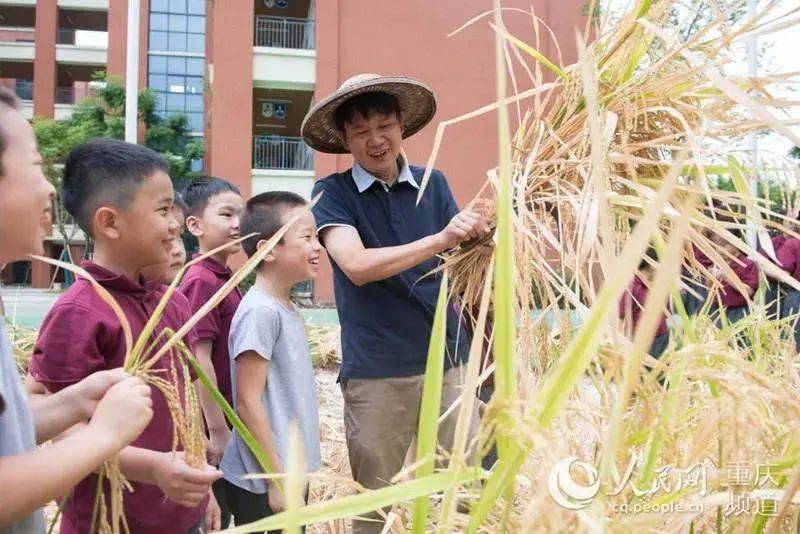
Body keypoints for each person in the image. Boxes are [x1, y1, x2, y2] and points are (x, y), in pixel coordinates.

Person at [302, 73, 491, 533]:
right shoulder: (333, 193)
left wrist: (482, 236)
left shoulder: (434, 183)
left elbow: (462, 263)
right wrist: (440, 238)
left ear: (401, 124)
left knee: (462, 494)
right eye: (361, 132)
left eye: (383, 125)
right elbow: (356, 264)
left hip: (449, 361)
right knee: (375, 502)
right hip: (378, 371)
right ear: (345, 139)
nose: (375, 140)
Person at [26, 138, 221, 533]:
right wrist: (152, 468)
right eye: (163, 209)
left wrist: (201, 485)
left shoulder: (172, 303)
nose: (176, 222)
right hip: (110, 519)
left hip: (179, 512)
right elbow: (68, 434)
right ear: (110, 222)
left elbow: (184, 407)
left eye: (175, 208)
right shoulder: (80, 311)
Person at [0, 87, 154, 533]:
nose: (50, 188)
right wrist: (101, 435)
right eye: (36, 167)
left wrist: (72, 402)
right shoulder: (81, 307)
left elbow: (8, 433)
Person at [219, 191, 322, 529]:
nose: (317, 247)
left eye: (316, 236)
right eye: (306, 237)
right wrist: (276, 479)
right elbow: (247, 402)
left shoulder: (281, 306)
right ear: (267, 249)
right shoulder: (261, 312)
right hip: (265, 479)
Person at [619, 253, 670, 358]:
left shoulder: (656, 284)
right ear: (652, 265)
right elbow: (620, 317)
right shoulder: (630, 286)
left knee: (662, 371)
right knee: (647, 372)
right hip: (645, 341)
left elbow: (667, 311)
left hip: (663, 336)